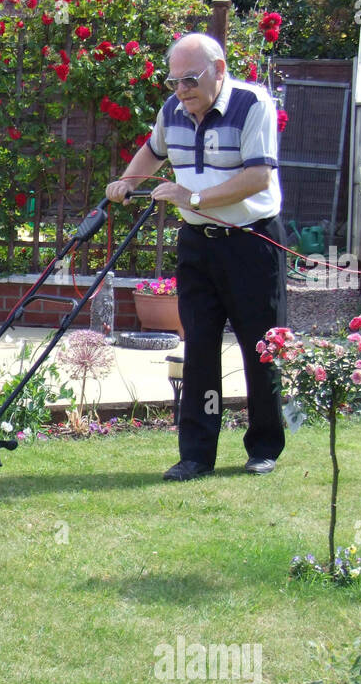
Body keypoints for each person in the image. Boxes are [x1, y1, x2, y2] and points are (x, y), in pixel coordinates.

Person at [106, 32, 286, 481]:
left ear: (219, 70)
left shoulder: (252, 104)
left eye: (190, 79)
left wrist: (195, 196)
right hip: (198, 244)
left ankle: (264, 446)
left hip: (250, 241)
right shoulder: (173, 111)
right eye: (174, 81)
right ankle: (196, 455)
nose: (181, 90)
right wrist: (128, 180)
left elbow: (259, 177)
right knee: (200, 348)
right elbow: (153, 151)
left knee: (260, 346)